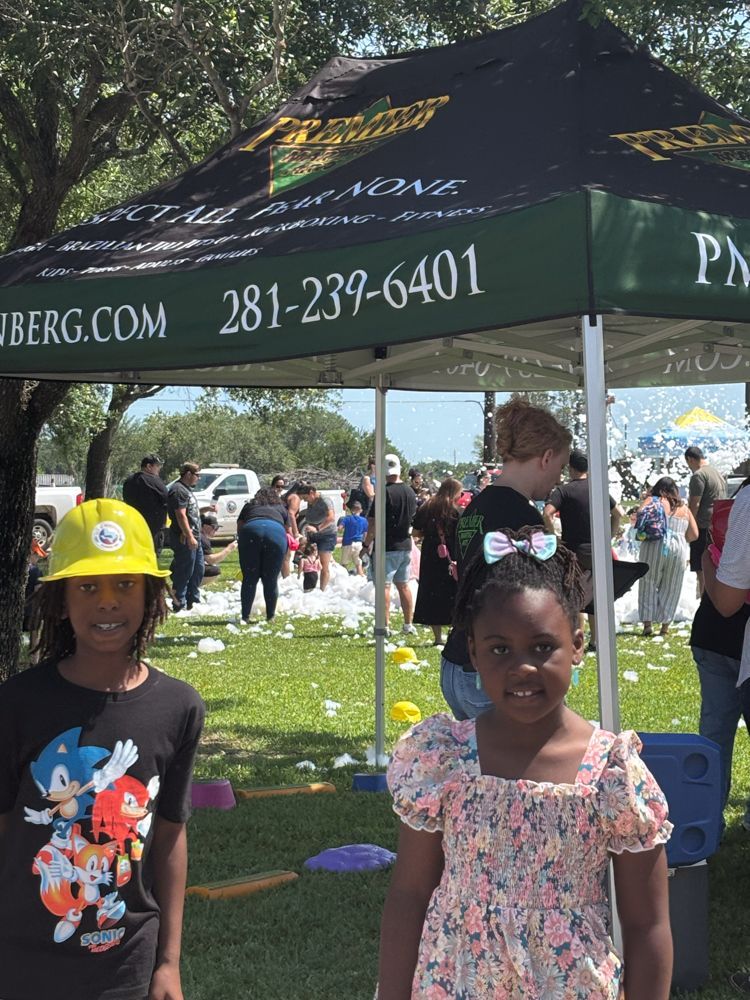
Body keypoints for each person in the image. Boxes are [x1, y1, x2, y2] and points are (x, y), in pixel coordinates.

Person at [378, 526, 673, 1000]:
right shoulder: (442, 759)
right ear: (472, 651)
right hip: (452, 985)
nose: (522, 667)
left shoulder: (610, 774)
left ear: (577, 644)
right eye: (499, 649)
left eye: (542, 647)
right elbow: (410, 895)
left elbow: (647, 925)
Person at [0, 498, 204, 1000]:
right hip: (22, 964)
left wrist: (169, 963)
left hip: (127, 965)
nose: (107, 601)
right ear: (61, 600)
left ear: (152, 593)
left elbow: (170, 838)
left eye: (125, 584)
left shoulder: (179, 707)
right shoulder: (18, 703)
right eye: (87, 586)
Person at [441, 397, 571, 719]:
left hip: (457, 662)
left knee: (481, 768)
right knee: (527, 767)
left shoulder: (475, 506)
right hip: (493, 671)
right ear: (546, 457)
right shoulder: (522, 516)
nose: (559, 478)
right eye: (560, 467)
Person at [543, 448, 624, 651]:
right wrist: (609, 537)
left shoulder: (564, 491)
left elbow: (547, 513)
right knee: (596, 596)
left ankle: (577, 640)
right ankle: (596, 641)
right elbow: (619, 513)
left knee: (576, 595)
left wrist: (555, 539)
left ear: (570, 468)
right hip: (598, 550)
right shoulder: (598, 488)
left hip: (573, 551)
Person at [363, 454, 417, 635]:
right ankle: (408, 624)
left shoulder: (383, 492)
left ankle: (384, 626)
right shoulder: (410, 492)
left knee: (384, 586)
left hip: (387, 546)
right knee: (403, 585)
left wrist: (366, 544)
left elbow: (373, 522)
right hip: (405, 545)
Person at [637, 476, 698, 636]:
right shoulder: (684, 508)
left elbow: (639, 515)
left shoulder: (653, 500)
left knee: (648, 582)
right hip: (679, 547)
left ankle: (648, 625)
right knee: (672, 586)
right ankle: (664, 627)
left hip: (654, 544)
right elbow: (694, 534)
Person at [411, 477, 463, 646]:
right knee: (453, 591)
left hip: (431, 554)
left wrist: (430, 534)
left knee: (431, 592)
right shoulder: (456, 511)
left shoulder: (427, 507)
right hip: (452, 554)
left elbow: (416, 532)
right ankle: (453, 630)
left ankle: (437, 637)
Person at [236, 486, 289, 622]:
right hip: (276, 533)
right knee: (270, 580)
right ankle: (270, 616)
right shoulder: (281, 507)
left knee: (249, 578)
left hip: (250, 531)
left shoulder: (250, 505)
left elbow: (240, 526)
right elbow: (287, 530)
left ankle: (245, 616)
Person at [685, 446, 726, 596]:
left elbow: (694, 504)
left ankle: (703, 599)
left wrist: (689, 526)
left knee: (701, 568)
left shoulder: (698, 476)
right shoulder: (717, 473)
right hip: (717, 527)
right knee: (715, 565)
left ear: (690, 459)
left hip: (701, 526)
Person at [167, 461, 204, 613]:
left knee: (198, 568)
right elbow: (180, 515)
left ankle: (192, 600)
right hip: (184, 537)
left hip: (195, 535)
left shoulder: (186, 489)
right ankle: (178, 602)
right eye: (197, 475)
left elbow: (189, 512)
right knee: (184, 570)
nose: (198, 478)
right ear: (188, 474)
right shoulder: (178, 490)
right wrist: (189, 536)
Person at [122, 454, 168, 549]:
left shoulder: (129, 481)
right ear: (149, 466)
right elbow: (167, 498)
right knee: (152, 555)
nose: (159, 469)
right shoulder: (154, 481)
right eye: (157, 466)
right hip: (153, 529)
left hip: (134, 526)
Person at [300, 485, 337, 591]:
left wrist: (317, 528)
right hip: (313, 535)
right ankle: (310, 588)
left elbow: (331, 518)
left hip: (326, 535)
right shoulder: (311, 501)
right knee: (309, 561)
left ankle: (322, 590)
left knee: (324, 564)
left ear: (312, 493)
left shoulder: (325, 500)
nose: (304, 500)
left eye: (305, 498)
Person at [199, 512, 238, 579]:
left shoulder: (200, 536)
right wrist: (229, 549)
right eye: (214, 527)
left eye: (217, 528)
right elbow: (211, 560)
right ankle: (192, 587)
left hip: (182, 565)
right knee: (215, 570)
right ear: (205, 526)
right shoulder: (203, 539)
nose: (216, 530)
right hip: (188, 568)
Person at [337, 500, 368, 576]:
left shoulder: (347, 519)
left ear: (351, 510)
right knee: (358, 563)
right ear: (361, 510)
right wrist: (364, 542)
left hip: (347, 543)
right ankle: (361, 576)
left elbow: (340, 528)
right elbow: (365, 533)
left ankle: (343, 577)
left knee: (344, 564)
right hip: (358, 544)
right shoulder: (364, 520)